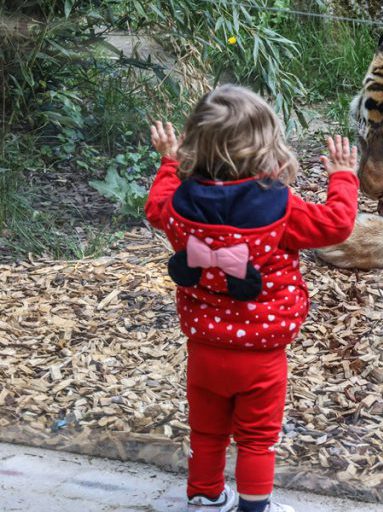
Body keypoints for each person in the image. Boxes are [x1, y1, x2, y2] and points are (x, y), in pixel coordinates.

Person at [144, 84, 360, 512]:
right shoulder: (281, 208)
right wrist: (342, 176)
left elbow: (155, 207)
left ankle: (205, 497)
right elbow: (337, 225)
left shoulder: (178, 205)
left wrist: (169, 163)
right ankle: (253, 509)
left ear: (195, 142)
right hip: (262, 353)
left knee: (207, 432)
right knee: (258, 439)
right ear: (267, 146)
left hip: (204, 348)